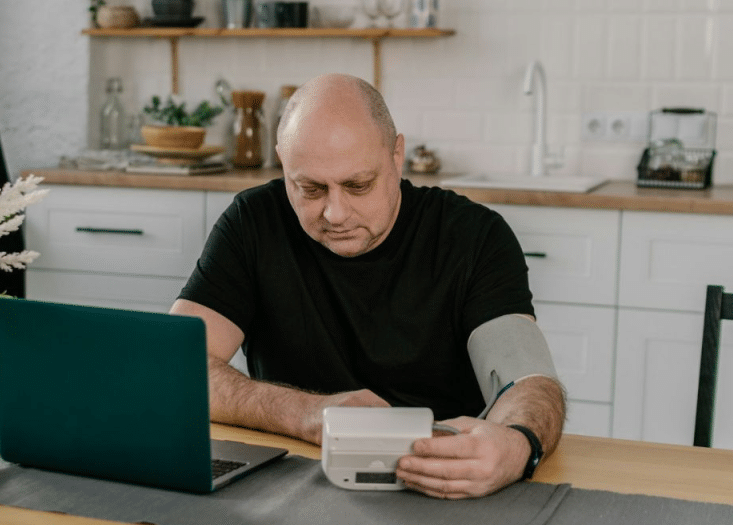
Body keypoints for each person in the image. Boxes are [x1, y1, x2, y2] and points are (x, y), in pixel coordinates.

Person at [170, 73, 565, 499]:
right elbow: (173, 369)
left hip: (442, 487)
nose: (335, 213)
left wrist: (517, 445)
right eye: (310, 188)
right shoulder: (252, 223)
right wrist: (306, 413)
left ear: (397, 154)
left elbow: (530, 383)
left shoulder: (474, 237)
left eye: (358, 185)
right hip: (295, 478)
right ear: (284, 163)